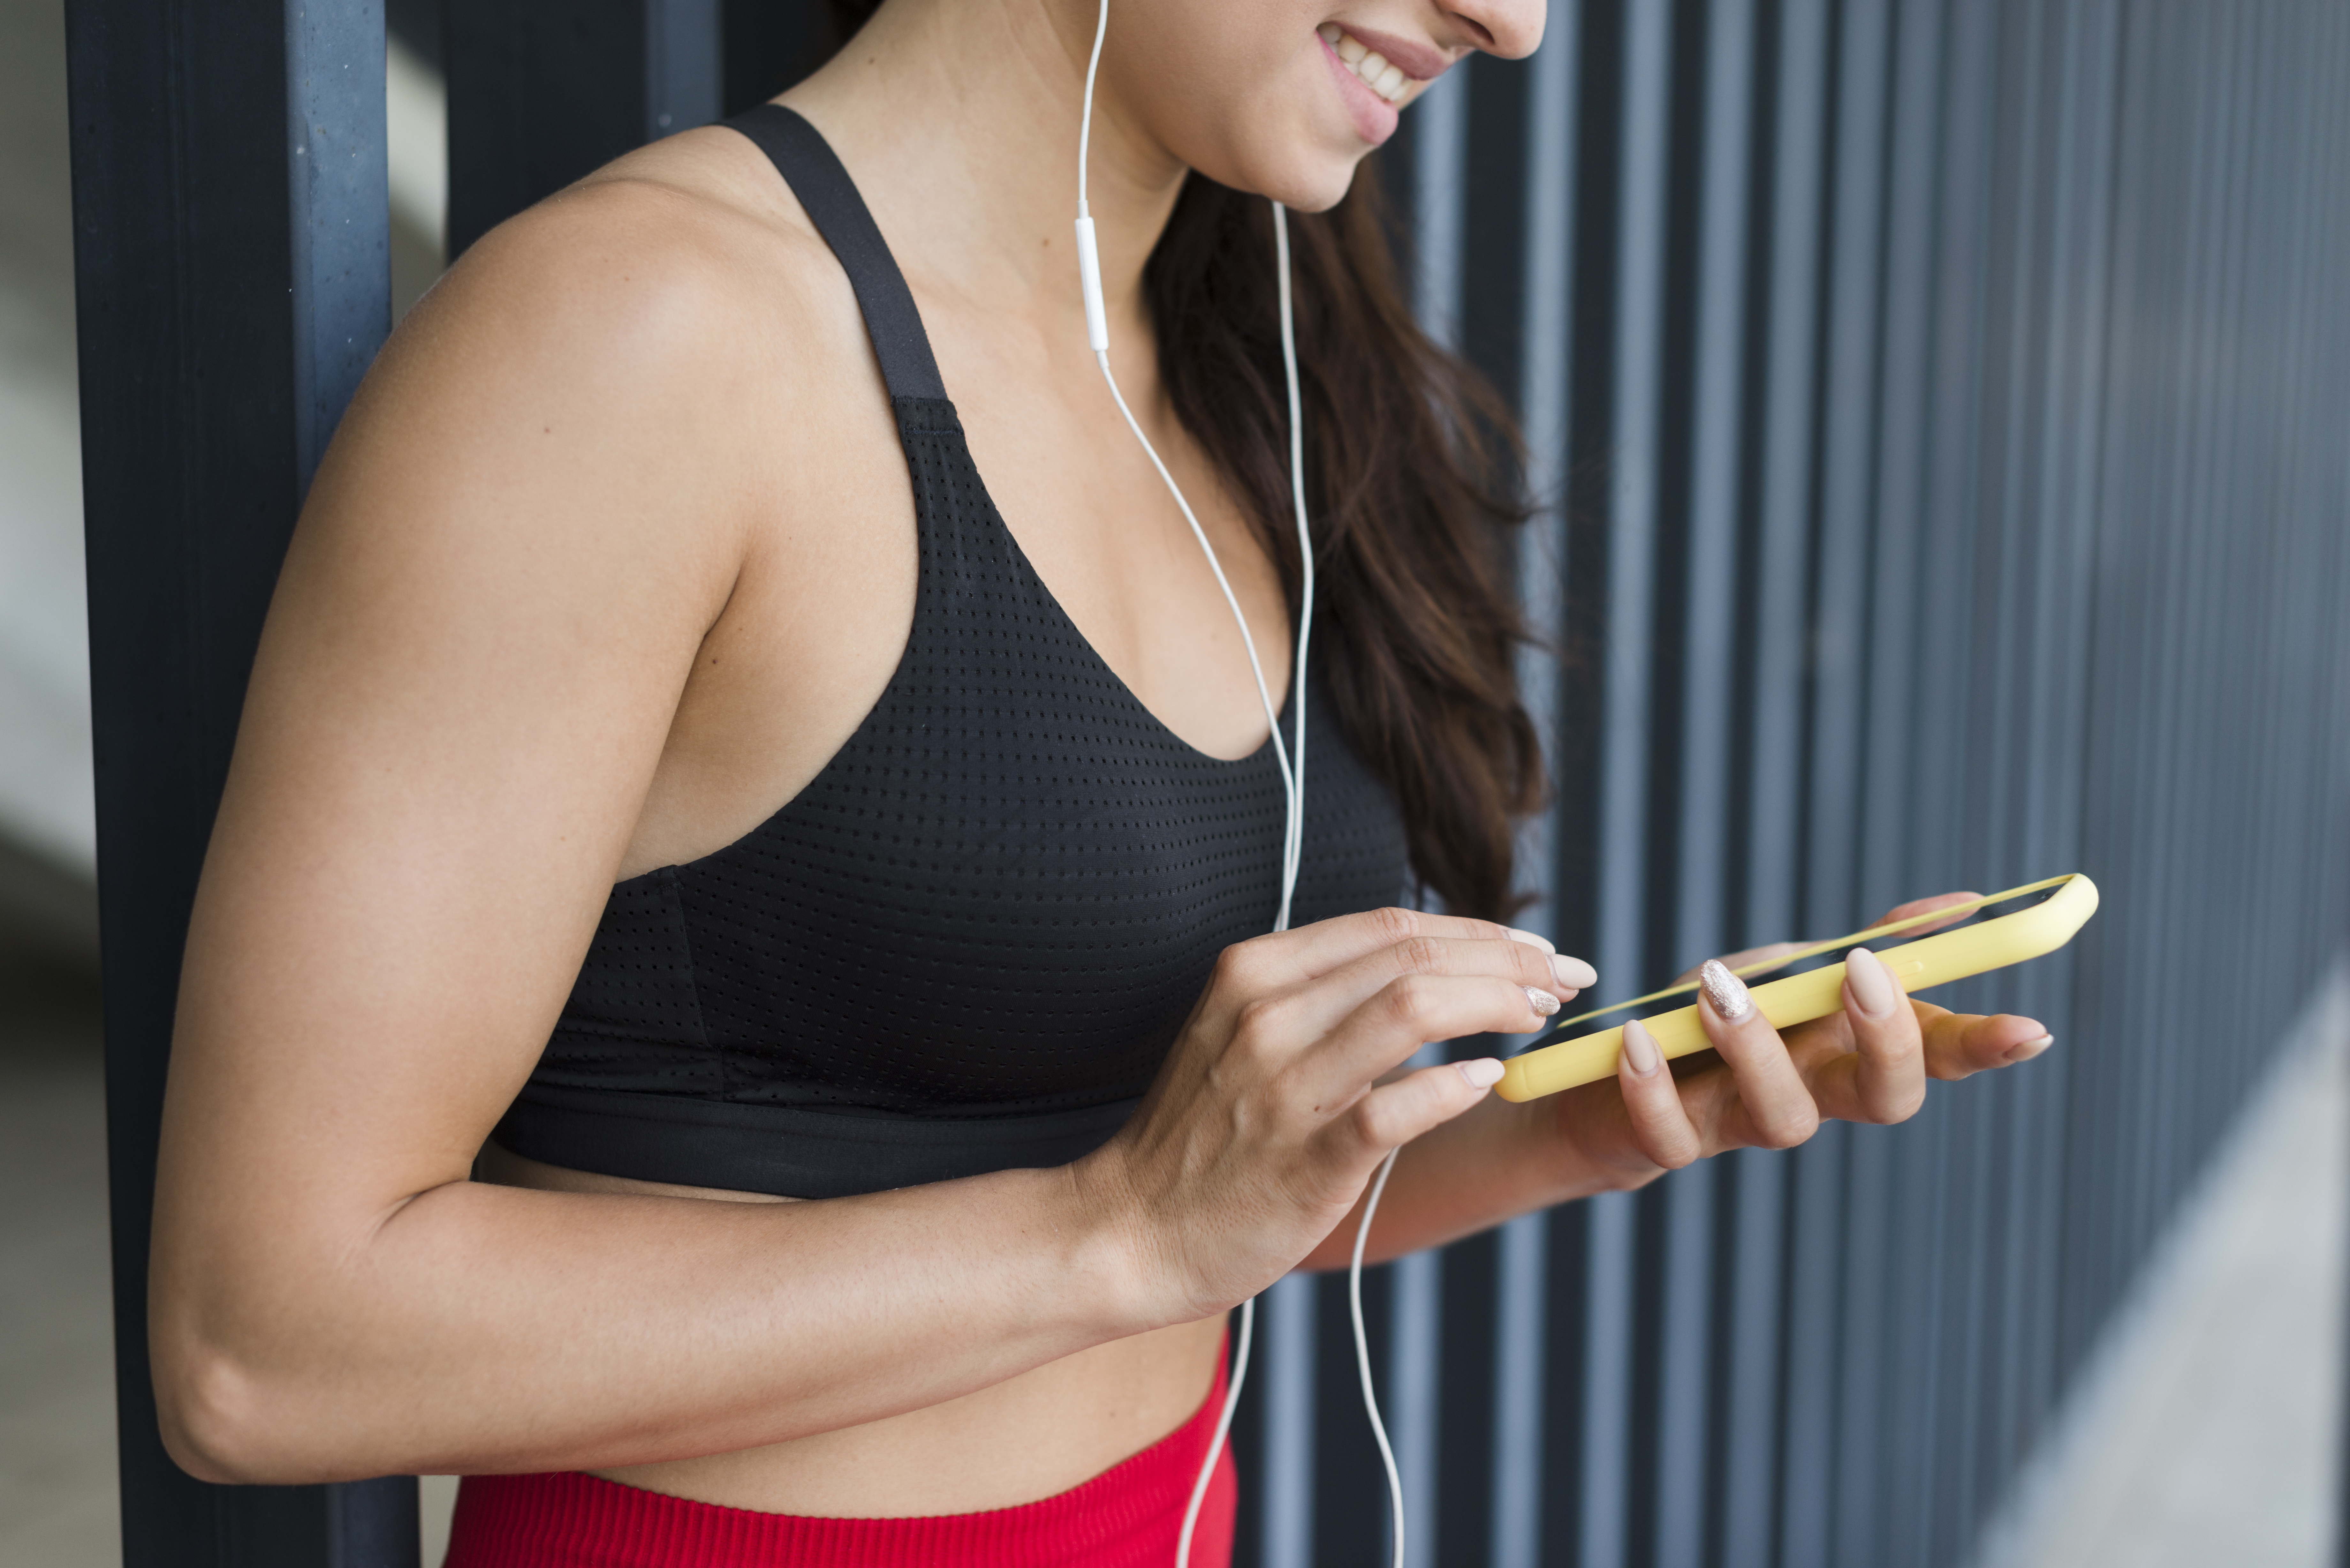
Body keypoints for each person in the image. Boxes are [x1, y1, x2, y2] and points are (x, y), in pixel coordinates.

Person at [147, 1, 2056, 1563]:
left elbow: (1197, 1195)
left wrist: (1625, 1107)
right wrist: (1117, 1232)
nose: (1516, 25)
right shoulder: (643, 342)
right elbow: (264, 1349)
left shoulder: (1248, 360)